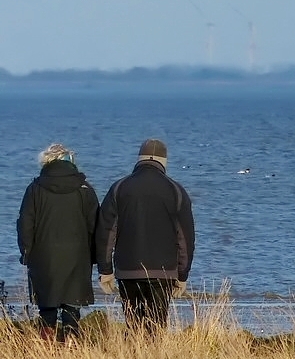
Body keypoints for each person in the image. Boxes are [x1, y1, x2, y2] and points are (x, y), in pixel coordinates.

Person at [95, 139, 195, 335]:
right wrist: (182, 275)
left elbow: (106, 232)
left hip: (127, 270)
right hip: (163, 272)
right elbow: (185, 239)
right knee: (156, 327)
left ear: (139, 159)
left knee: (134, 325)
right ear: (164, 161)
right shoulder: (176, 191)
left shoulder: (119, 187)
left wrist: (105, 270)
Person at [17, 143, 100, 342]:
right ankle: (71, 346)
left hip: (43, 256)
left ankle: (47, 348)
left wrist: (26, 252)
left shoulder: (35, 189)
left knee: (47, 307)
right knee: (72, 307)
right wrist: (95, 256)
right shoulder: (85, 189)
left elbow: (25, 223)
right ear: (70, 161)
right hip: (77, 256)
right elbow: (96, 225)